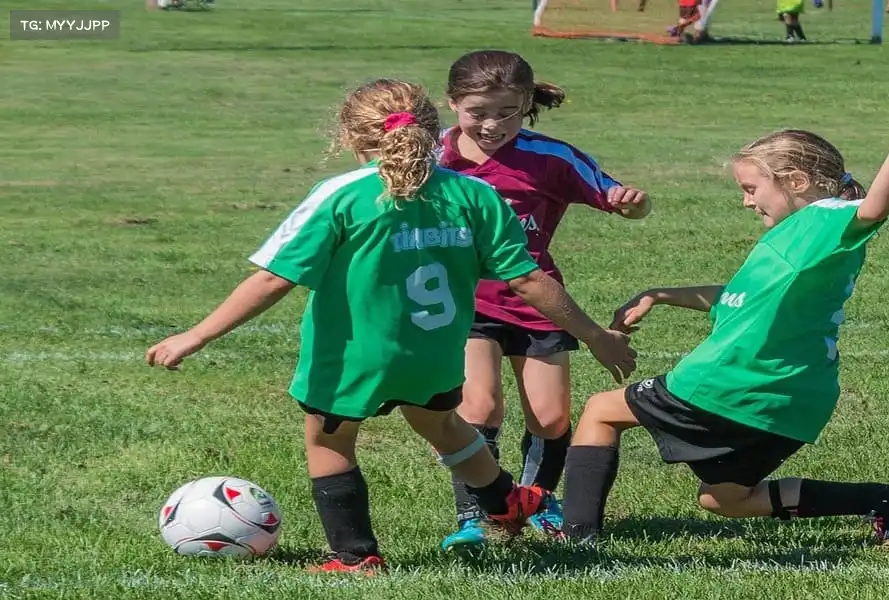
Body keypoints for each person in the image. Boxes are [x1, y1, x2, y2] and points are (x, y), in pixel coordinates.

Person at [144, 78, 637, 572]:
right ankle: (505, 500)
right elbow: (529, 279)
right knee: (444, 424)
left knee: (329, 441)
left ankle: (355, 555)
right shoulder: (475, 194)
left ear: (350, 136)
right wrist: (594, 336)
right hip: (437, 352)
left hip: (356, 354)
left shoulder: (342, 195)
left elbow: (273, 279)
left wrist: (196, 334)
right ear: (431, 130)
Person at [559, 101, 889, 544]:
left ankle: (578, 538)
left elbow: (875, 208)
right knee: (725, 500)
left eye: (751, 188)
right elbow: (740, 298)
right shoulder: (798, 241)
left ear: (796, 181)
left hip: (732, 383)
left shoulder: (824, 218)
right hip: (794, 402)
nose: (745, 201)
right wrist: (662, 295)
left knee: (601, 410)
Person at [437, 49, 651, 553]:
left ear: (528, 102)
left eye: (508, 111)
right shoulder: (432, 158)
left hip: (538, 300)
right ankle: (476, 513)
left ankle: (535, 501)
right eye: (478, 112)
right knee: (480, 405)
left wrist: (633, 205)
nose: (492, 124)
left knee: (551, 419)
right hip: (462, 303)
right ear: (452, 104)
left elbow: (622, 201)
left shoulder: (551, 157)